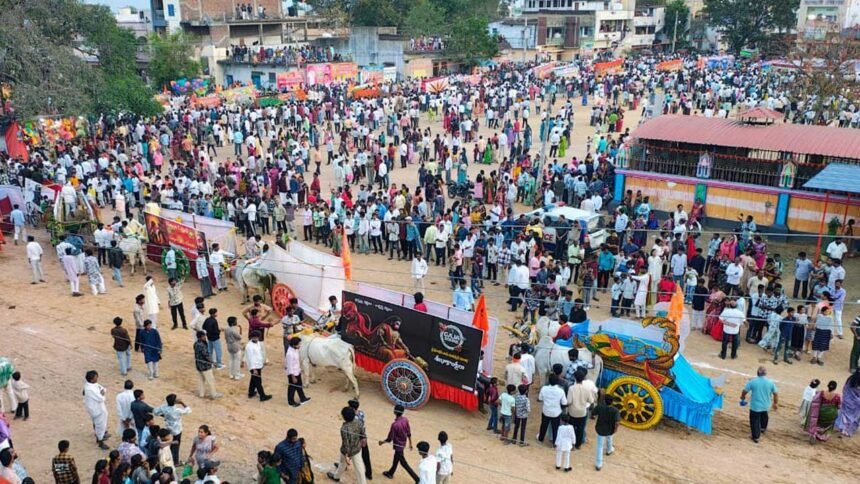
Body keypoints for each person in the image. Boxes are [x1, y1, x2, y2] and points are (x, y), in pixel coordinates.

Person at [379, 404, 418, 482]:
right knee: (396, 460)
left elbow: (390, 438)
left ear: (394, 412)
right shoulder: (405, 420)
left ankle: (417, 479)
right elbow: (409, 433)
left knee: (403, 463)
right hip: (403, 444)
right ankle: (390, 473)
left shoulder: (394, 425)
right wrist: (410, 443)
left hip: (398, 447)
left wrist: (382, 442)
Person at [328, 406, 366, 483]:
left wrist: (347, 455)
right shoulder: (358, 422)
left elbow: (346, 443)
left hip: (347, 451)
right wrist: (363, 439)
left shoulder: (344, 428)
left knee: (342, 464)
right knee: (360, 468)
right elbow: (362, 433)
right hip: (357, 449)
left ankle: (336, 477)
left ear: (344, 417)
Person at [740, 366, 779, 443]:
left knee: (754, 420)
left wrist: (743, 397)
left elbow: (745, 391)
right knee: (764, 415)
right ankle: (763, 428)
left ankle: (756, 436)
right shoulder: (770, 382)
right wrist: (775, 403)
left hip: (755, 406)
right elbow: (776, 393)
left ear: (758, 373)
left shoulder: (753, 381)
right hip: (766, 405)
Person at [153, 393, 191, 466]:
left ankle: (169, 456)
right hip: (176, 429)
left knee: (168, 442)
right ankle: (175, 461)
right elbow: (188, 410)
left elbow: (155, 412)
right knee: (176, 445)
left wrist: (164, 415)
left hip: (168, 428)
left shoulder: (164, 407)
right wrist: (182, 403)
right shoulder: (177, 410)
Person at [537, 374, 568, 446]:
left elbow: (540, 398)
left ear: (549, 381)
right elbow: (564, 402)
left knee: (543, 425)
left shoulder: (544, 388)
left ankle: (541, 438)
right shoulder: (560, 391)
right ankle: (555, 442)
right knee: (555, 428)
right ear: (557, 382)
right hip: (556, 412)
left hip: (546, 411)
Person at [83, 370, 110, 449]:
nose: (97, 378)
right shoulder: (90, 389)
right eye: (96, 377)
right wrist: (102, 394)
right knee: (100, 425)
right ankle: (100, 441)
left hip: (98, 407)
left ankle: (100, 435)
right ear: (91, 379)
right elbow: (101, 398)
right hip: (96, 409)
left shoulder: (92, 384)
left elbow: (103, 389)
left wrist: (102, 392)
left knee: (98, 423)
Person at [594, 393, 620, 471]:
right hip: (610, 429)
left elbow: (593, 413)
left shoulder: (600, 407)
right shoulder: (615, 410)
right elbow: (617, 422)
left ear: (604, 401)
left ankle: (598, 465)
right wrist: (615, 429)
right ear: (612, 402)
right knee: (609, 438)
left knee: (599, 446)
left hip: (600, 429)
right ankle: (609, 450)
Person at [245, 330, 273, 402]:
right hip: (254, 366)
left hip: (259, 364)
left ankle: (251, 392)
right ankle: (262, 396)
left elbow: (259, 353)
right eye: (256, 337)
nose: (257, 338)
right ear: (252, 337)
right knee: (258, 382)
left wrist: (263, 362)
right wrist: (254, 369)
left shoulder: (257, 343)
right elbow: (251, 358)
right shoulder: (249, 346)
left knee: (253, 379)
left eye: (258, 337)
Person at [193, 331, 221, 399]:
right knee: (210, 380)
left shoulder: (195, 344)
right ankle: (213, 394)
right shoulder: (202, 345)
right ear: (200, 337)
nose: (205, 337)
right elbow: (206, 355)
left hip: (198, 365)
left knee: (201, 380)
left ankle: (201, 394)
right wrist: (213, 362)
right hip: (205, 365)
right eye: (203, 336)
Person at [285, 337, 310, 407]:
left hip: (297, 371)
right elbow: (289, 366)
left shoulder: (295, 350)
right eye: (298, 344)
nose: (299, 346)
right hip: (292, 374)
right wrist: (293, 377)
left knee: (299, 385)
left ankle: (302, 398)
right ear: (294, 345)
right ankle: (291, 402)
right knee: (292, 388)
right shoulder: (290, 354)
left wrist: (299, 370)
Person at [836, 370, 860, 437]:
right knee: (855, 415)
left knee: (846, 414)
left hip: (848, 399)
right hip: (855, 402)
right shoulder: (854, 380)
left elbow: (845, 388)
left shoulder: (851, 378)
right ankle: (849, 430)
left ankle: (844, 428)